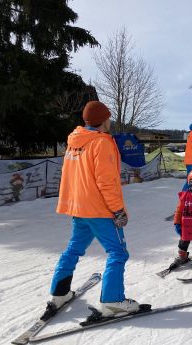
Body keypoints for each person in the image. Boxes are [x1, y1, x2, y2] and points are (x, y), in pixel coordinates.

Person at [49, 100, 139, 318]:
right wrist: (117, 210)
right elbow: (106, 182)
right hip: (99, 210)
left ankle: (59, 293)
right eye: (108, 117)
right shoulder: (101, 143)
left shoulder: (75, 141)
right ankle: (113, 301)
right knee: (117, 252)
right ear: (103, 119)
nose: (110, 121)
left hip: (79, 207)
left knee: (73, 249)